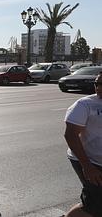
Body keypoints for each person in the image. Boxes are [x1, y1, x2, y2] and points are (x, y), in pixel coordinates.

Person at [64, 72, 102, 217]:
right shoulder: (85, 104)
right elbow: (70, 135)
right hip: (89, 160)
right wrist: (87, 166)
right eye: (96, 83)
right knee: (94, 206)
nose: (98, 88)